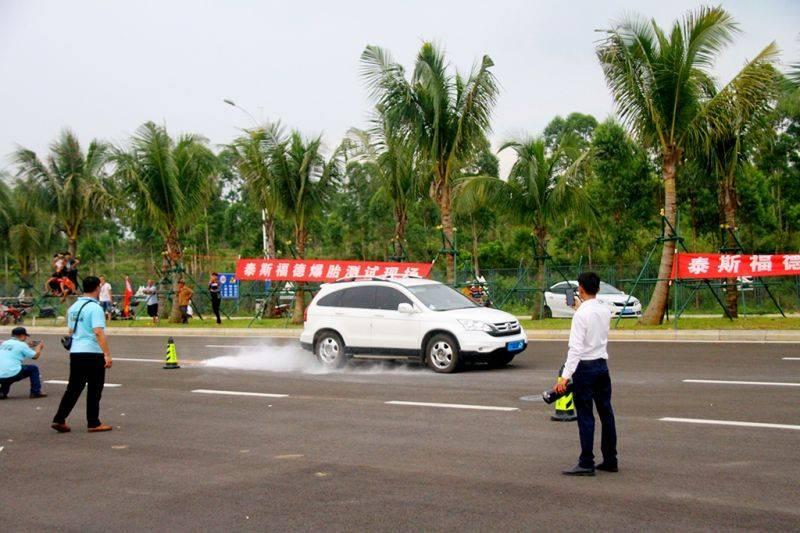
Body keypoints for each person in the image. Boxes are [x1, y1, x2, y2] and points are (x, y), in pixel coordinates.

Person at [555, 271, 618, 476]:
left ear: (580, 289)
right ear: (598, 289)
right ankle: (610, 459)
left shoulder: (581, 315)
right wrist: (580, 307)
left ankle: (586, 462)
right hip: (602, 366)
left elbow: (575, 349)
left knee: (585, 416)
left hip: (585, 369)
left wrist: (565, 377)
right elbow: (593, 316)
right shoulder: (604, 310)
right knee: (606, 414)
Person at [51, 276, 113, 433]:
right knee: (94, 388)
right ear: (98, 288)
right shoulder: (95, 308)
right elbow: (98, 332)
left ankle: (59, 418)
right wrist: (107, 354)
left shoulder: (73, 308)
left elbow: (71, 331)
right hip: (92, 352)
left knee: (73, 388)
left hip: (76, 352)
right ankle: (93, 422)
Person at [0, 327, 46, 399]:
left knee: (6, 376)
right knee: (33, 369)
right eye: (25, 336)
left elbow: (14, 347)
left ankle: (2, 392)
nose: (26, 338)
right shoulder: (22, 345)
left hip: (1, 374)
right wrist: (39, 347)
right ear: (22, 335)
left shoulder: (4, 343)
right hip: (12, 372)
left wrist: (27, 345)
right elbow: (35, 356)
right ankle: (36, 392)